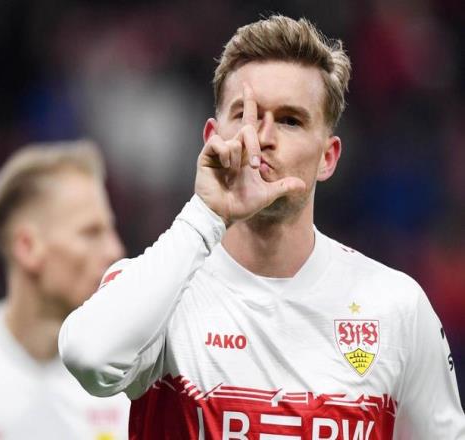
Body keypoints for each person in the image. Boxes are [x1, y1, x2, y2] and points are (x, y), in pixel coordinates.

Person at [59, 16, 465, 439]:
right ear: (213, 137)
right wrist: (205, 214)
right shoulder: (160, 291)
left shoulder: (395, 306)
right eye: (246, 116)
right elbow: (89, 359)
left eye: (290, 120)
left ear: (327, 157)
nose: (263, 138)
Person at [0, 141, 130, 439]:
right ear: (27, 247)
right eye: (91, 232)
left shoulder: (127, 383)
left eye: (110, 230)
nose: (114, 250)